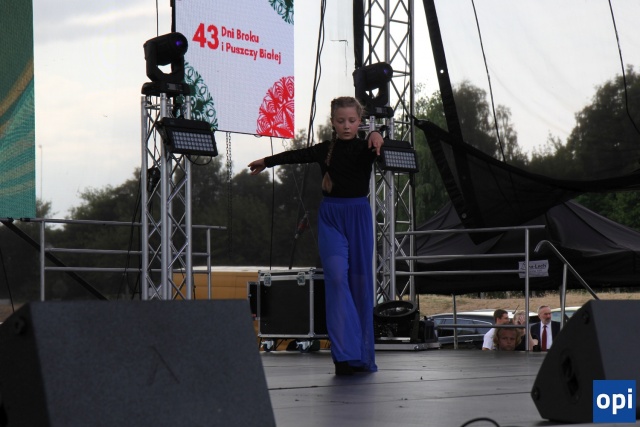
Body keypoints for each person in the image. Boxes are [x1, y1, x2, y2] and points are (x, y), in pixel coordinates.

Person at [248, 96, 384, 375]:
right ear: (333, 122)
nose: (346, 126)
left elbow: (383, 145)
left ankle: (358, 355)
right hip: (331, 217)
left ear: (359, 121)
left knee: (359, 285)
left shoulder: (367, 147)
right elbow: (296, 155)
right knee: (336, 278)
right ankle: (344, 353)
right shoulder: (325, 150)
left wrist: (377, 133)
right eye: (341, 121)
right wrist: (267, 161)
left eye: (352, 120)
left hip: (358, 216)